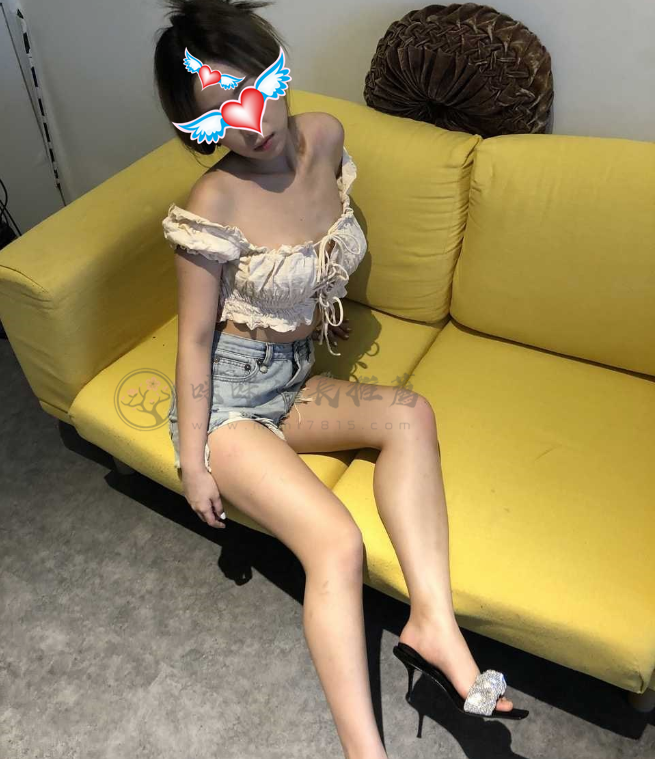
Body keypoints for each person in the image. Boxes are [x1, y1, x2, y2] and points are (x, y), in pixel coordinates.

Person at [154, 1, 523, 756]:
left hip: (293, 376)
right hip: (230, 402)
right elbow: (193, 339)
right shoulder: (214, 200)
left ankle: (433, 623)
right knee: (335, 541)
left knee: (410, 414)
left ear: (278, 70)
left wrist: (317, 311)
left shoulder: (324, 135)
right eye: (218, 113)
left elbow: (315, 244)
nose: (247, 122)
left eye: (253, 90)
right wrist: (193, 462)